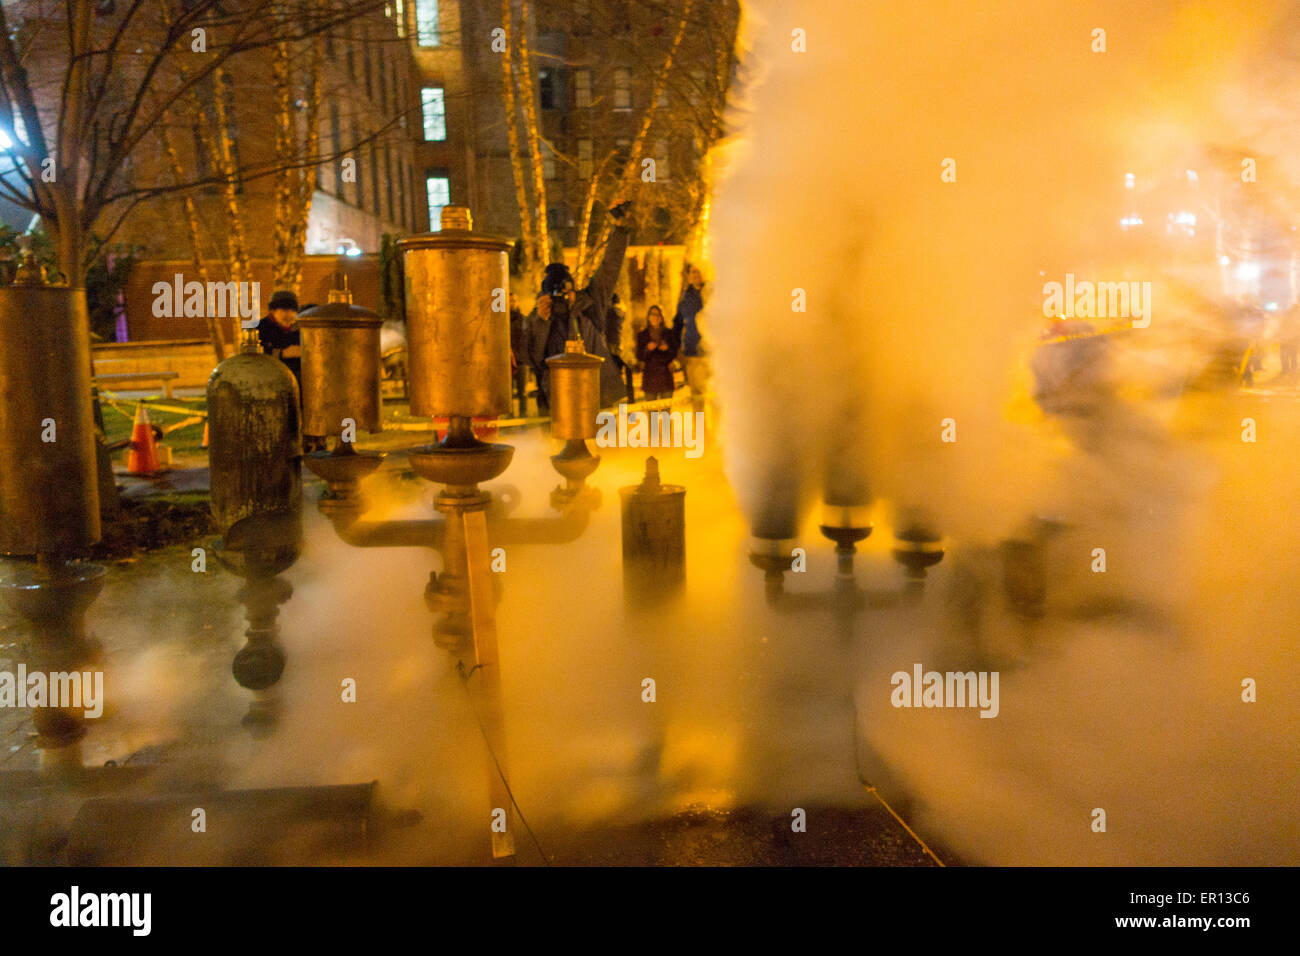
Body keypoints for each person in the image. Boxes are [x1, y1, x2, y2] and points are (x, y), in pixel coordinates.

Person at [526, 200, 633, 411]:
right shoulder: (538, 318)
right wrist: (540, 322)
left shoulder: (590, 303)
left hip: (598, 394)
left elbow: (609, 268)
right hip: (560, 400)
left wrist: (620, 228)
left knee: (601, 443)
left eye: (566, 290)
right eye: (557, 292)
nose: (563, 297)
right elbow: (533, 359)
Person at [672, 263, 710, 410]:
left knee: (716, 392)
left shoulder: (711, 293)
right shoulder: (685, 298)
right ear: (688, 276)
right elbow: (677, 324)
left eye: (698, 272)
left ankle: (719, 428)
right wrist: (676, 349)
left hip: (712, 353)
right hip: (693, 353)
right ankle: (702, 430)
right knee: (696, 394)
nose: (696, 275)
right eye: (693, 272)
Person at [257, 290, 302, 388]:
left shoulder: (300, 329)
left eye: (293, 311)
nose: (289, 315)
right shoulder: (260, 328)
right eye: (284, 310)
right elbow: (255, 356)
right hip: (269, 381)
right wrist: (283, 353)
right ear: (273, 311)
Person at [635, 305, 678, 400]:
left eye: (658, 315)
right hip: (650, 378)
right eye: (653, 314)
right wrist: (647, 349)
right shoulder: (642, 335)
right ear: (648, 317)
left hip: (665, 378)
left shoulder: (669, 333)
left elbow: (674, 354)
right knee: (652, 412)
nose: (655, 317)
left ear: (662, 318)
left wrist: (667, 349)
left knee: (665, 412)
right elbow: (639, 356)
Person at [508, 292, 529, 415]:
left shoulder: (523, 319)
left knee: (523, 392)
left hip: (521, 360)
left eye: (514, 300)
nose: (512, 303)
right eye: (510, 301)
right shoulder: (503, 320)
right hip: (508, 361)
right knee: (508, 392)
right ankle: (510, 417)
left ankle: (523, 417)